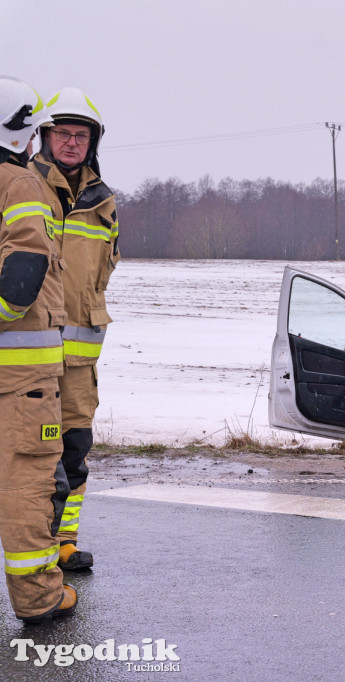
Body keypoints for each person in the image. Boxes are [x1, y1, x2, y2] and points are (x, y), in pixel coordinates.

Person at [30, 86, 119, 573]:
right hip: (24, 354)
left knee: (74, 453)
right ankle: (31, 543)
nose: (70, 142)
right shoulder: (21, 185)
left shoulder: (103, 202)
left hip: (79, 362)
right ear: (44, 136)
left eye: (79, 134)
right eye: (61, 132)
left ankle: (64, 542)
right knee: (30, 453)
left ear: (92, 142)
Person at [0, 75, 77, 623]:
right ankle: (39, 598)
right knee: (29, 480)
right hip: (20, 378)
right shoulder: (20, 184)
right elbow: (22, 279)